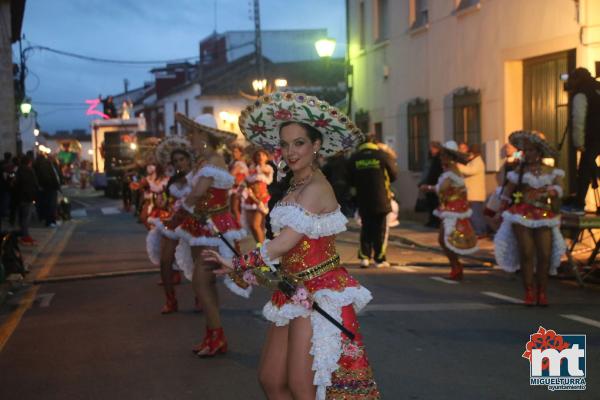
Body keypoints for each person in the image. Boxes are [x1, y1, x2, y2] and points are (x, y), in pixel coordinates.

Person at [205, 91, 379, 399]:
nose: (291, 151)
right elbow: (279, 250)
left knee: (302, 387)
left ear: (316, 146)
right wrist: (255, 270)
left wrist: (237, 263)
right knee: (271, 380)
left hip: (318, 291)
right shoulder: (292, 185)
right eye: (285, 144)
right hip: (291, 289)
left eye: (299, 143)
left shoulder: (316, 188)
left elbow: (281, 245)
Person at [173, 113, 246, 357]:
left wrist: (177, 217)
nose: (189, 138)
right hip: (203, 225)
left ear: (204, 134)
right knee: (204, 282)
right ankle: (212, 335)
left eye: (193, 133)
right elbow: (193, 191)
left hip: (212, 227)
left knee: (200, 282)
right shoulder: (206, 161)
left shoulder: (213, 161)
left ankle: (217, 336)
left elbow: (196, 194)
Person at [494, 130, 566, 306]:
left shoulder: (551, 171)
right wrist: (499, 212)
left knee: (544, 254)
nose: (528, 153)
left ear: (539, 152)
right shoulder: (518, 171)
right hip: (521, 215)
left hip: (544, 214)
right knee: (526, 253)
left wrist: (552, 190)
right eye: (526, 150)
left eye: (532, 150)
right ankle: (529, 292)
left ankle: (542, 292)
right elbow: (506, 193)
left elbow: (560, 189)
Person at [146, 137, 194, 314]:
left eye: (182, 159)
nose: (179, 163)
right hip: (174, 222)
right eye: (176, 161)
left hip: (193, 222)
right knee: (165, 261)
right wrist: (162, 204)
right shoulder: (173, 180)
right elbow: (167, 202)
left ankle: (199, 298)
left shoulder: (197, 177)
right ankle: (170, 300)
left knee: (196, 263)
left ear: (189, 159)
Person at [420, 141, 479, 280]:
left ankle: (456, 266)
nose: (441, 158)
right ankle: (456, 267)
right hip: (450, 209)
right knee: (445, 239)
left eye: (443, 155)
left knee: (445, 239)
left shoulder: (451, 171)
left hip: (454, 210)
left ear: (449, 157)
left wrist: (428, 188)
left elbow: (442, 188)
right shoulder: (449, 170)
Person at [347, 135, 398, 268]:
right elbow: (393, 175)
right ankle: (379, 258)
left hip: (363, 199)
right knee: (380, 229)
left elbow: (349, 178)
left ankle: (364, 257)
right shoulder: (382, 155)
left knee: (366, 228)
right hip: (381, 198)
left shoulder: (355, 157)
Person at [561, 67, 600, 215]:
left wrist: (579, 143)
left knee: (584, 169)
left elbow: (578, 120)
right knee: (588, 166)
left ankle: (578, 205)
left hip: (594, 137)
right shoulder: (597, 87)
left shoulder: (582, 93)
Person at [243, 149, 274, 244]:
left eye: (262, 155)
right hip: (251, 198)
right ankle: (260, 246)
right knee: (254, 227)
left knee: (255, 225)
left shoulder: (267, 168)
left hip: (262, 199)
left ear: (266, 157)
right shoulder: (252, 168)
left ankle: (263, 251)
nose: (260, 157)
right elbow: (247, 181)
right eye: (258, 155)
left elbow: (264, 172)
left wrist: (256, 168)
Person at [457, 143, 487, 236]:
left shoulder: (478, 162)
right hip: (471, 193)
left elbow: (469, 171)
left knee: (475, 214)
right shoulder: (472, 161)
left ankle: (481, 231)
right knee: (473, 214)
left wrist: (458, 165)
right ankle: (478, 231)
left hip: (475, 194)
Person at [15, 155, 39, 245]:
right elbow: (33, 185)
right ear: (29, 162)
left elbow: (17, 184)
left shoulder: (19, 170)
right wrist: (33, 197)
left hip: (20, 197)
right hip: (27, 198)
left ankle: (23, 235)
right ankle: (25, 236)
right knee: (26, 218)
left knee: (22, 218)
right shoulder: (29, 171)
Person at [418, 142, 443, 228]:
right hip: (429, 184)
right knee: (430, 204)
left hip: (434, 184)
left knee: (435, 203)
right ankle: (432, 220)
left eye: (432, 148)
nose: (431, 150)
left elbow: (435, 173)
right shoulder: (431, 158)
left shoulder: (439, 159)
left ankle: (436, 222)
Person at [34, 153, 62, 228]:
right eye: (53, 157)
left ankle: (52, 220)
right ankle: (49, 221)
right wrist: (52, 184)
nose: (55, 159)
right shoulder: (45, 165)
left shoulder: (51, 165)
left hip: (52, 187)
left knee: (52, 205)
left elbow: (56, 175)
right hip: (50, 188)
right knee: (50, 205)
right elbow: (47, 177)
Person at [228, 144, 248, 225]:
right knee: (235, 209)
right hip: (236, 188)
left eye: (236, 152)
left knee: (235, 208)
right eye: (233, 152)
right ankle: (238, 225)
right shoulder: (235, 162)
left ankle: (239, 226)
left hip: (239, 188)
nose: (233, 153)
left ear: (241, 153)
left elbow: (231, 175)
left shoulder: (239, 164)